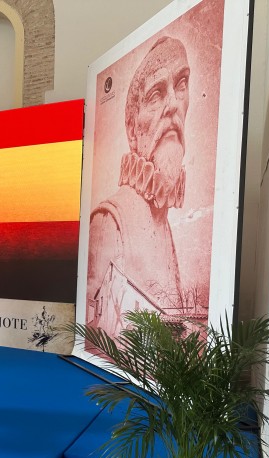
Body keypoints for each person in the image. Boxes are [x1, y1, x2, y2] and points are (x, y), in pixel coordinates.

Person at [87, 36, 190, 337]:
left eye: (181, 84)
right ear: (132, 129)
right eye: (156, 94)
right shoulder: (110, 222)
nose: (173, 104)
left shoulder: (162, 223)